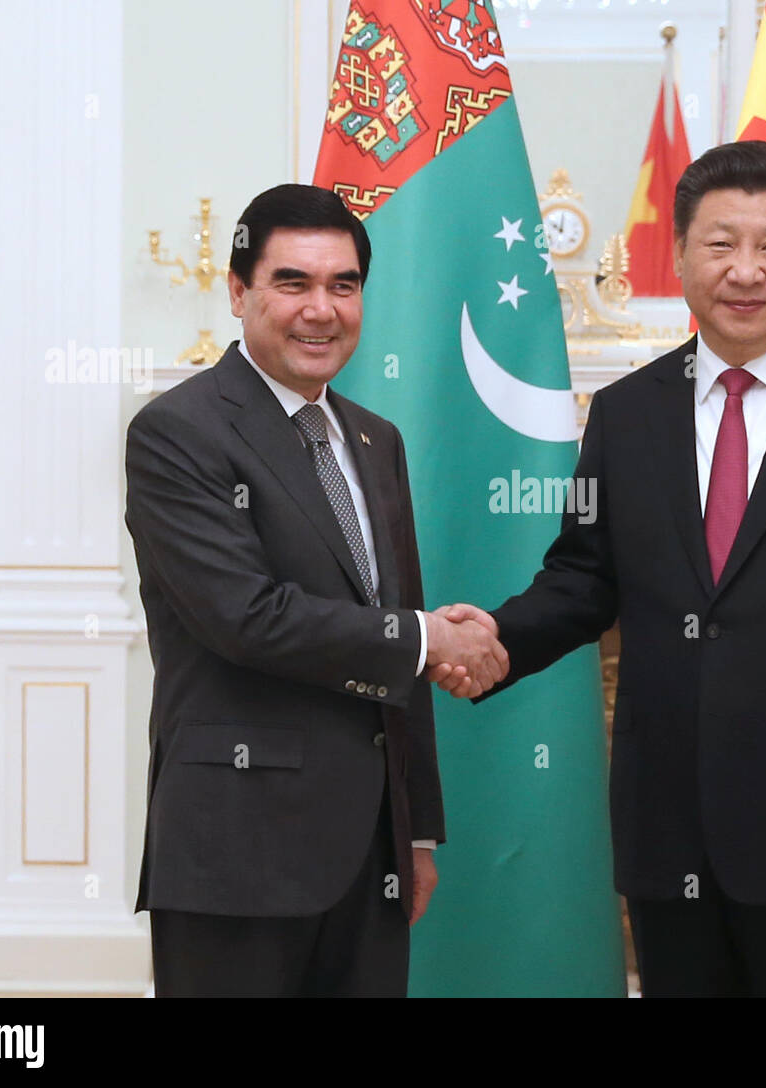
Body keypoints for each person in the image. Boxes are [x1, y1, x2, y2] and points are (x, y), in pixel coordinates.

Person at [430, 141, 766, 997]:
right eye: (721, 244)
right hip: (671, 829)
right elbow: (583, 576)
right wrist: (493, 636)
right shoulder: (626, 412)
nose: (745, 271)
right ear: (680, 254)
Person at [126, 183, 507, 997]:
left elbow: (392, 630)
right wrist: (431, 638)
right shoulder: (177, 432)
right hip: (238, 852)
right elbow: (247, 618)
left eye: (343, 285)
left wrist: (418, 832)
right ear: (238, 291)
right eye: (292, 282)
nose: (321, 310)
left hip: (373, 856)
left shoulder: (375, 438)